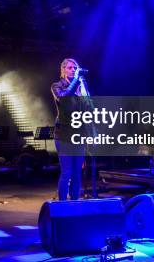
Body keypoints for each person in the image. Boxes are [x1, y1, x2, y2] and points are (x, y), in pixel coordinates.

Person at [51, 58, 91, 200]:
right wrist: (75, 83)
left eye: (75, 68)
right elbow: (64, 100)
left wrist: (84, 88)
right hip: (63, 135)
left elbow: (89, 108)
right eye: (70, 67)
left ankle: (75, 204)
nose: (73, 70)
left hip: (78, 135)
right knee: (67, 172)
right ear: (63, 70)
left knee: (76, 173)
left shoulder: (80, 86)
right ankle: (62, 205)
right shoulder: (57, 86)